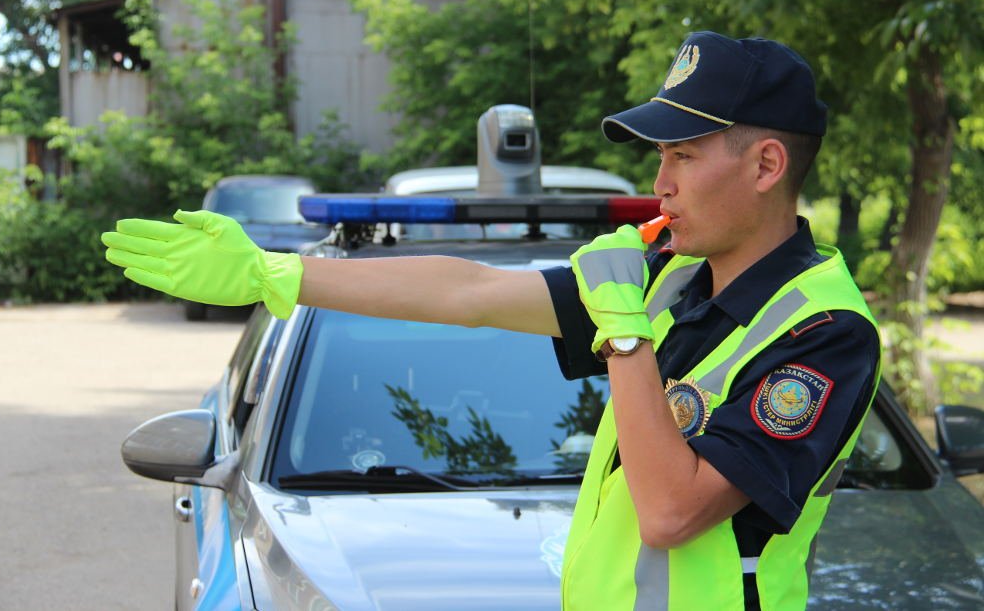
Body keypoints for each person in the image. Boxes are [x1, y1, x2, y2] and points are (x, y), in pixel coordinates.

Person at [101, 30, 881, 610]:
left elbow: (672, 509)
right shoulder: (672, 275)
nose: (660, 181)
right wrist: (278, 275)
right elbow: (467, 292)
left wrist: (625, 333)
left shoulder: (825, 333)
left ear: (766, 165)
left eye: (682, 154)